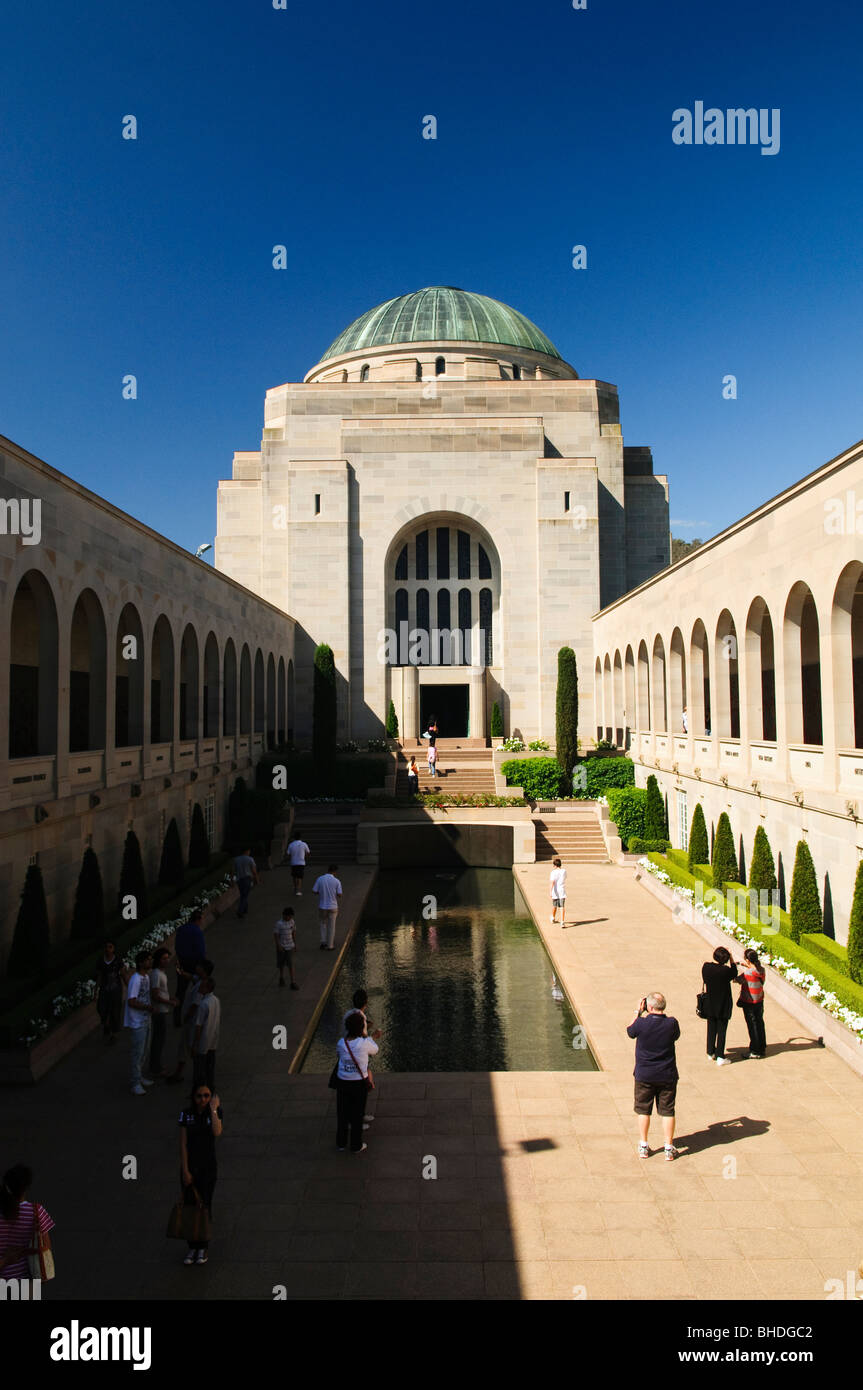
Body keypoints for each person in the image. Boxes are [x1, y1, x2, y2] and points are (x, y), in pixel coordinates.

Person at [626, 991, 680, 1160]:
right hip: (667, 1074)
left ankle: (643, 1144)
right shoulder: (672, 1024)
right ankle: (669, 1147)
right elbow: (676, 1036)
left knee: (643, 1110)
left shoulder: (641, 1024)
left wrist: (637, 1012)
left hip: (645, 1075)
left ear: (648, 1007)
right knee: (667, 1111)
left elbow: (630, 1031)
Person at [178, 1084, 223, 1265]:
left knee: (205, 1205)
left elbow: (217, 1131)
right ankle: (192, 1246)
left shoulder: (214, 1112)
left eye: (206, 1096)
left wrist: (213, 1110)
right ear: (193, 1097)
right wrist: (185, 1169)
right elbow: (183, 1144)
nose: (203, 1099)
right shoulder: (185, 1114)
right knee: (190, 1206)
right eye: (199, 1096)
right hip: (191, 1167)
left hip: (208, 1168)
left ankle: (202, 1245)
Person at [0, 1165, 55, 1284]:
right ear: (26, 1188)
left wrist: (5, 1260)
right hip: (27, 1283)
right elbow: (46, 1247)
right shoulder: (36, 1211)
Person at [335, 1011, 379, 1153]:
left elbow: (339, 1054)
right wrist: (373, 1037)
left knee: (342, 1112)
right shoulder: (364, 1043)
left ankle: (341, 1143)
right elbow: (375, 1050)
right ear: (361, 1028)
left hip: (342, 1081)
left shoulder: (341, 1043)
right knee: (357, 1113)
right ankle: (355, 1145)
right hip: (358, 1083)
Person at [166, 958, 214, 1085]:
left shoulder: (201, 987)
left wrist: (186, 1017)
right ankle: (180, 1072)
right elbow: (191, 977)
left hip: (192, 1022)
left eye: (198, 966)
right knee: (184, 1048)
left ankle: (198, 1075)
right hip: (191, 1021)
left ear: (203, 970)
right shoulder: (200, 980)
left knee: (190, 1048)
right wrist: (180, 971)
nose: (196, 967)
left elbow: (195, 1005)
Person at [702, 945, 738, 1065]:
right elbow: (734, 971)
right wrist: (731, 957)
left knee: (711, 1028)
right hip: (723, 1004)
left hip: (710, 1003)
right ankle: (720, 1056)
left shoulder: (706, 967)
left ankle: (710, 1052)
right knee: (721, 1031)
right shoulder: (725, 971)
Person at [125, 950, 154, 1095]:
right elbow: (131, 1001)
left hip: (146, 1019)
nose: (150, 962)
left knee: (144, 1051)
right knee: (137, 1052)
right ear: (141, 963)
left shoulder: (146, 977)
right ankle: (134, 1082)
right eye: (148, 960)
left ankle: (139, 1076)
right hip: (137, 1022)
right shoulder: (135, 979)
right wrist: (146, 1007)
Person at [173, 907, 206, 1023]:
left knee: (180, 990)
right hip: (195, 965)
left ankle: (176, 1017)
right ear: (198, 919)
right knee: (199, 988)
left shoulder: (182, 929)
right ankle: (197, 1014)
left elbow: (177, 947)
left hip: (182, 963)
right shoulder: (197, 931)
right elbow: (201, 951)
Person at [733, 947, 767, 1058]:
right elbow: (755, 971)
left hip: (749, 1001)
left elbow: (736, 980)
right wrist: (747, 966)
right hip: (759, 999)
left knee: (752, 1025)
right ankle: (761, 1047)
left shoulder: (748, 973)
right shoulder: (761, 970)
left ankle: (755, 1051)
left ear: (748, 960)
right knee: (759, 1023)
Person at [149, 947, 178, 1077]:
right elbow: (155, 995)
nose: (167, 961)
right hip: (158, 1011)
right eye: (164, 958)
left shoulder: (161, 973)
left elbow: (162, 992)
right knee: (158, 1040)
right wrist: (169, 1002)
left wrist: (169, 998)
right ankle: (156, 1067)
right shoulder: (155, 974)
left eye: (167, 958)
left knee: (160, 1039)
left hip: (162, 1009)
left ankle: (157, 1065)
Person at [192, 977, 220, 1092]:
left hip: (203, 1042)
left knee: (200, 1069)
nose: (199, 987)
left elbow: (198, 1026)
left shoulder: (203, 1004)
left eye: (202, 986)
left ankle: (200, 1091)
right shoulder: (215, 1000)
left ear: (207, 988)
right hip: (212, 1041)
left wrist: (195, 1044)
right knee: (210, 1068)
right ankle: (210, 1088)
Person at [95, 939, 125, 1043]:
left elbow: (123, 974)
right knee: (101, 1009)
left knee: (115, 1011)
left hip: (116, 990)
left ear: (114, 949)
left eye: (110, 947)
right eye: (106, 947)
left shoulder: (118, 960)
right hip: (104, 990)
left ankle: (114, 1034)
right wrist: (96, 991)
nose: (108, 949)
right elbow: (99, 976)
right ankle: (106, 1025)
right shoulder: (100, 961)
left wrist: (130, 987)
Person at [313, 864, 342, 950]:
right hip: (333, 906)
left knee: (323, 924)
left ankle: (323, 942)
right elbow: (340, 894)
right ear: (335, 872)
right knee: (332, 926)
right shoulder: (337, 881)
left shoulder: (320, 879)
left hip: (322, 906)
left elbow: (314, 891)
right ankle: (330, 945)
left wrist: (321, 893)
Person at [274, 907, 299, 988]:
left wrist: (295, 944)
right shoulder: (279, 924)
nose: (290, 918)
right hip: (282, 947)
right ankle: (281, 977)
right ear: (284, 915)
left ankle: (293, 982)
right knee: (281, 964)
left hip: (290, 946)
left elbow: (293, 933)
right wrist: (278, 945)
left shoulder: (292, 922)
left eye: (291, 917)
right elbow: (276, 935)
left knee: (291, 964)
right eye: (289, 916)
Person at [234, 847, 259, 918]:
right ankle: (240, 910)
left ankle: (245, 909)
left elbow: (233, 870)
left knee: (243, 894)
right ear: (247, 851)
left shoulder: (236, 859)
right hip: (247, 879)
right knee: (244, 895)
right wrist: (257, 879)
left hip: (239, 879)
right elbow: (254, 871)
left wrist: (232, 880)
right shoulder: (250, 859)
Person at [549, 856, 567, 926]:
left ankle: (553, 917)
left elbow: (552, 882)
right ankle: (562, 921)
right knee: (562, 906)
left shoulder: (553, 872)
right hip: (562, 890)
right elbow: (565, 878)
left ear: (555, 865)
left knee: (554, 905)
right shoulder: (564, 871)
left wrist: (550, 891)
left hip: (555, 891)